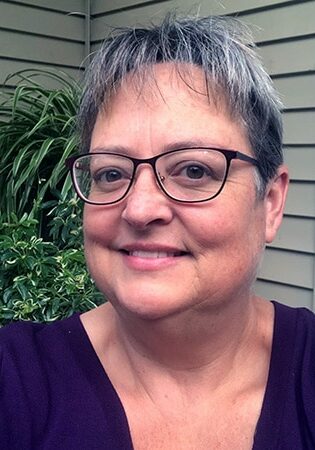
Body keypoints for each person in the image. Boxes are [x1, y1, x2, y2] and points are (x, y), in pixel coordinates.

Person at [1, 13, 315, 450]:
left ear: (271, 203)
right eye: (111, 173)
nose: (140, 208)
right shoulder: (14, 382)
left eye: (193, 169)